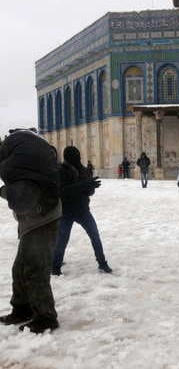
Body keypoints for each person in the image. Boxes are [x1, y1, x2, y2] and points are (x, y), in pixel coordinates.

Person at [0, 129, 62, 333]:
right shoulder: (18, 164)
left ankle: (46, 317)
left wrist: (4, 191)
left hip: (44, 220)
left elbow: (21, 199)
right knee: (20, 269)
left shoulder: (17, 166)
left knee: (35, 269)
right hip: (33, 221)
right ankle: (22, 309)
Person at [52, 146, 111, 275]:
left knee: (95, 235)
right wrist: (84, 185)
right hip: (66, 211)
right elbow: (63, 191)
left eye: (78, 155)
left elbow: (88, 192)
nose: (77, 158)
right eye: (74, 155)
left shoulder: (84, 170)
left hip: (82, 210)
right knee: (62, 240)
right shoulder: (61, 171)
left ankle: (102, 263)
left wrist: (91, 187)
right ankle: (55, 267)